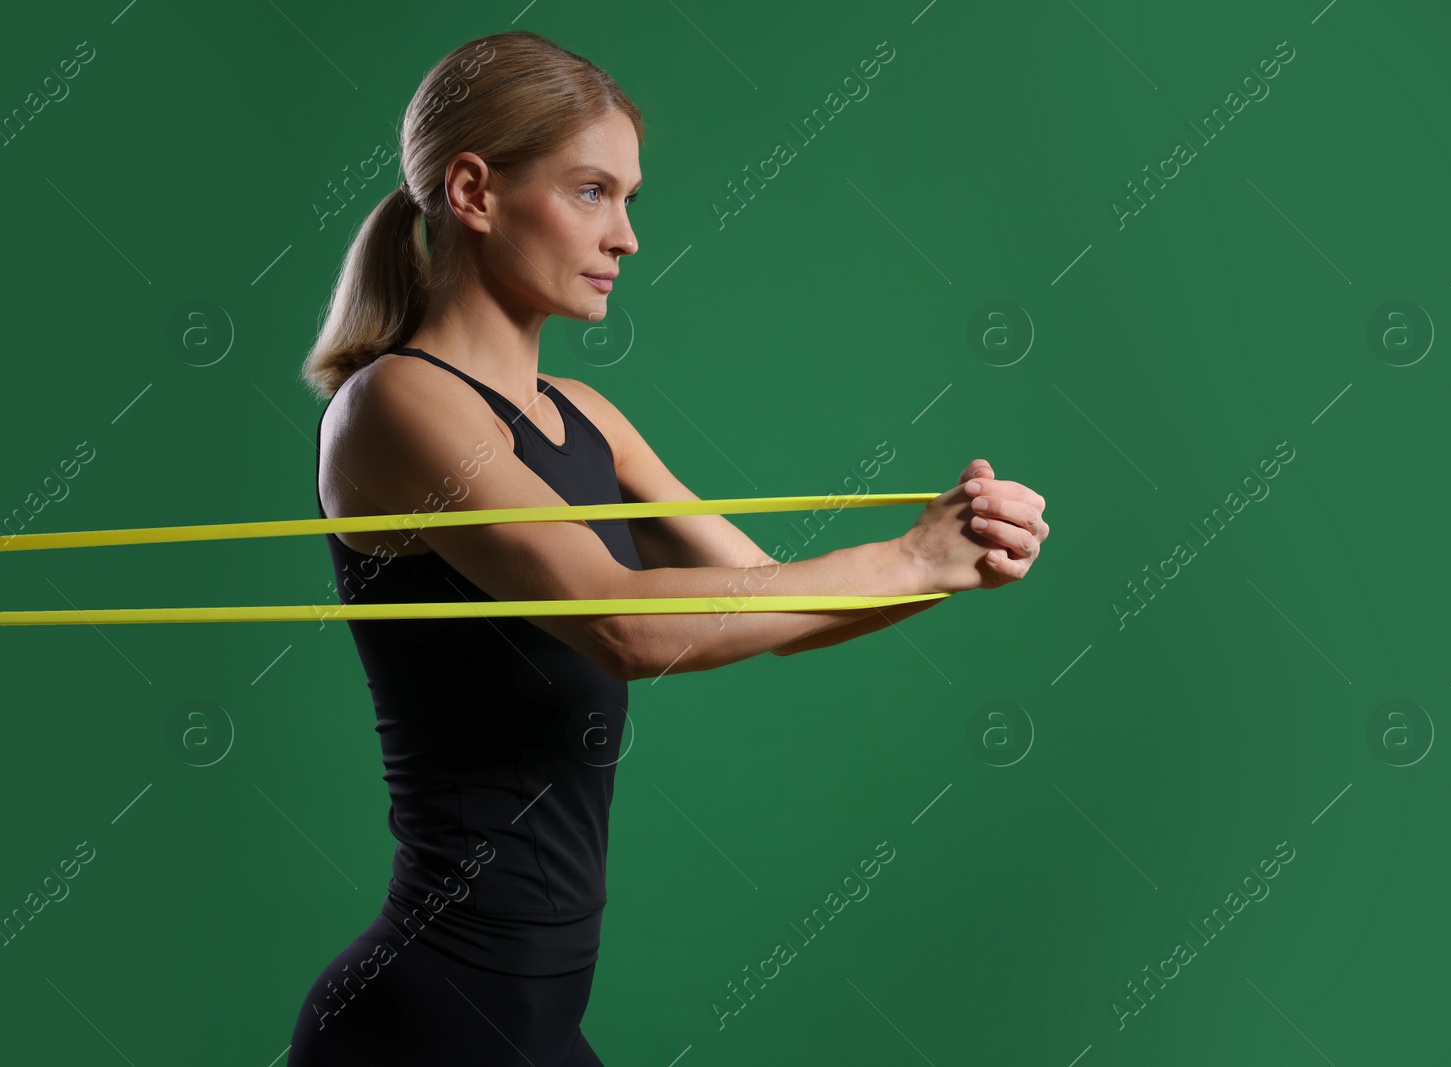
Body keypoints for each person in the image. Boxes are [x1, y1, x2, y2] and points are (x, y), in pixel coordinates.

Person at [286, 29, 1048, 1066]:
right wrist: (913, 557)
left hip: (539, 1021)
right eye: (593, 191)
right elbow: (626, 621)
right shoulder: (396, 402)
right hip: (427, 1017)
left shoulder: (587, 417)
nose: (628, 236)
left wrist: (954, 560)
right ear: (472, 190)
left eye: (629, 197)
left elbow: (768, 605)